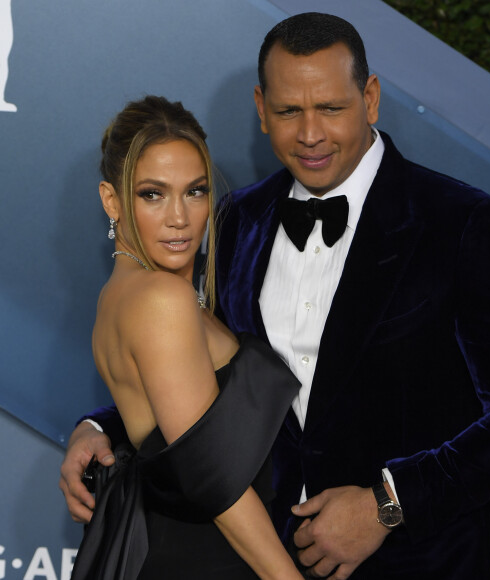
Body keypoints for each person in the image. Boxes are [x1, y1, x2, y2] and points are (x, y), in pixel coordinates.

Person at [60, 13, 490, 580]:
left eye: (330, 108)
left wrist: (388, 504)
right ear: (260, 108)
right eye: (287, 111)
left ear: (370, 98)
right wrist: (105, 426)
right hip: (252, 560)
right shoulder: (235, 221)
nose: (310, 134)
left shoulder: (463, 225)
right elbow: (210, 387)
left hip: (414, 564)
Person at [69, 95, 303, 580]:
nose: (180, 217)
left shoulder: (123, 294)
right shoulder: (161, 299)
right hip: (210, 559)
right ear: (111, 199)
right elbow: (213, 480)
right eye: (152, 194)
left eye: (195, 191)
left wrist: (93, 427)